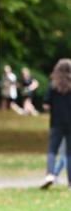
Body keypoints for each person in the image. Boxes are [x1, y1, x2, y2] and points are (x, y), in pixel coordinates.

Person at [40, 58, 71, 189]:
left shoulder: (53, 86)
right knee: (69, 153)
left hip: (56, 122)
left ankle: (50, 174)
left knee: (52, 150)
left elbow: (46, 105)